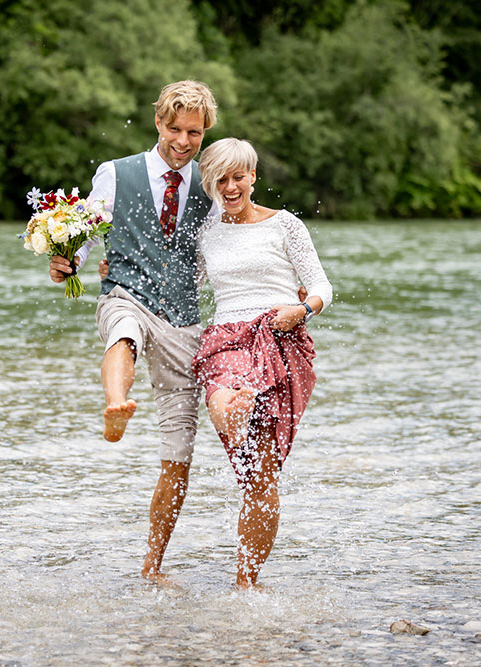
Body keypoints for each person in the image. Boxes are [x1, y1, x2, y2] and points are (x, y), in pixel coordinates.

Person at [48, 80, 219, 583]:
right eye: (174, 129)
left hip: (185, 320)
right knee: (122, 334)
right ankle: (116, 404)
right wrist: (69, 262)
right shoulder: (116, 173)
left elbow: (222, 255)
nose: (184, 141)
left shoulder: (212, 187)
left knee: (179, 455)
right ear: (157, 122)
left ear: (205, 131)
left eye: (194, 132)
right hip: (125, 292)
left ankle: (152, 567)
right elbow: (86, 231)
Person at [192, 137, 332, 588]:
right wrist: (113, 271)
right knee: (225, 382)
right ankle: (229, 404)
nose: (230, 187)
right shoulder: (204, 233)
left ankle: (245, 583)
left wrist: (303, 311)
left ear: (253, 176)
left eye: (237, 177)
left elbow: (321, 287)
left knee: (261, 476)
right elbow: (179, 288)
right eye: (219, 180)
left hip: (279, 336)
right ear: (210, 184)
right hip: (227, 338)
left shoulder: (285, 225)